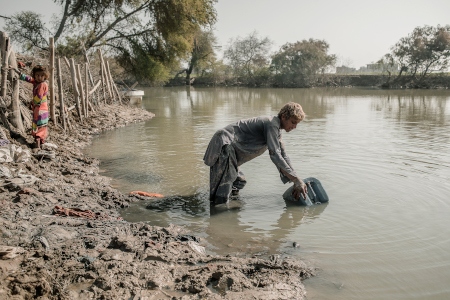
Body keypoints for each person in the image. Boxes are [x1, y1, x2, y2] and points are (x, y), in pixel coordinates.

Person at [203, 102, 308, 205]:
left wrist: (296, 179)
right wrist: (295, 179)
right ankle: (219, 214)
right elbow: (275, 154)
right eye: (293, 122)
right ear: (284, 117)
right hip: (225, 145)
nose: (295, 127)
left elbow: (284, 155)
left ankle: (230, 210)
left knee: (239, 181)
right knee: (223, 189)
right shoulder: (272, 124)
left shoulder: (277, 129)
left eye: (297, 124)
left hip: (230, 150)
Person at [12, 65, 50, 149]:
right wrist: (18, 71)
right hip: (40, 109)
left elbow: (39, 97)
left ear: (45, 76)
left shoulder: (42, 85)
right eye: (37, 75)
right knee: (40, 125)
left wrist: (31, 103)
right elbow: (29, 79)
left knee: (39, 125)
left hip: (40, 109)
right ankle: (40, 143)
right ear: (35, 75)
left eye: (41, 75)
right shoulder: (37, 82)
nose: (39, 77)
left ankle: (37, 144)